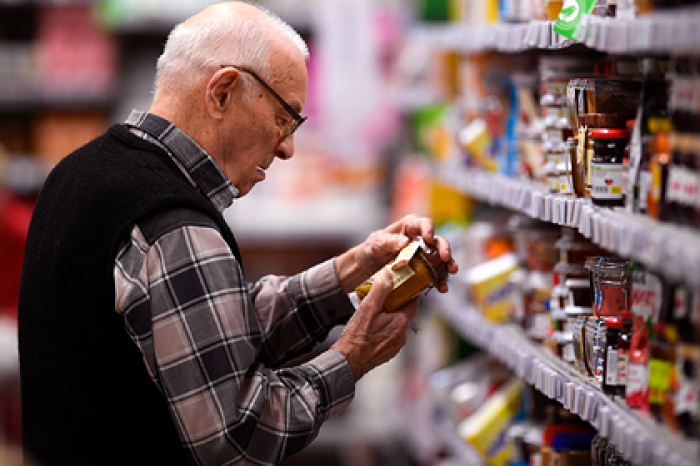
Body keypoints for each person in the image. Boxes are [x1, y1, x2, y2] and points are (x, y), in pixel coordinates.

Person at [18, 2, 458, 465]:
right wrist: (353, 358)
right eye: (285, 118)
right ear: (223, 91)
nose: (288, 148)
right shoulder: (171, 221)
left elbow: (203, 335)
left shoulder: (80, 170)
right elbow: (238, 438)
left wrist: (354, 268)